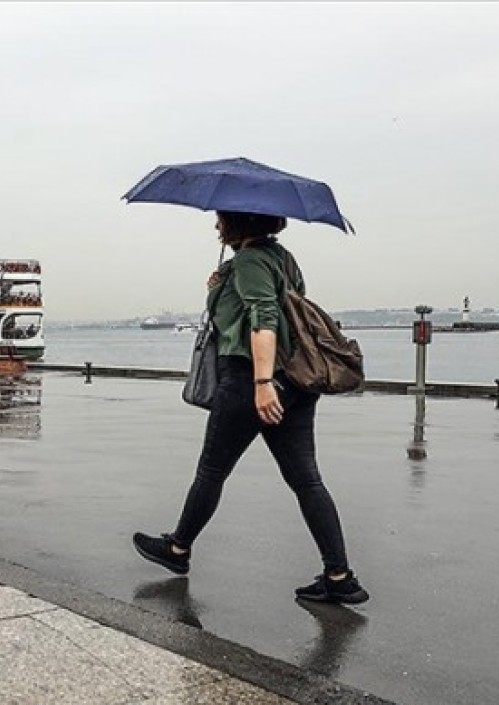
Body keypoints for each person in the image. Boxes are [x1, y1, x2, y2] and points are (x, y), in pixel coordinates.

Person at [132, 210, 368, 605]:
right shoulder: (282, 258)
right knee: (306, 480)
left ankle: (178, 549)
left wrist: (261, 384)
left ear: (238, 223)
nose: (216, 226)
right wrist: (218, 287)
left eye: (222, 220)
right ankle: (339, 575)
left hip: (250, 379)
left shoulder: (250, 261)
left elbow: (264, 319)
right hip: (294, 381)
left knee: (211, 470)